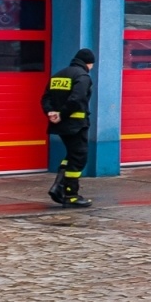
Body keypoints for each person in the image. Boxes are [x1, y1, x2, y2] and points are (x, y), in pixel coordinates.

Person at [42, 48, 95, 208]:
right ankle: (70, 194)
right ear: (89, 63)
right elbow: (77, 99)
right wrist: (62, 114)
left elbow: (46, 97)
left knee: (72, 154)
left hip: (61, 125)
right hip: (76, 125)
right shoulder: (82, 76)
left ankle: (58, 187)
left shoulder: (58, 75)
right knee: (79, 156)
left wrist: (50, 112)